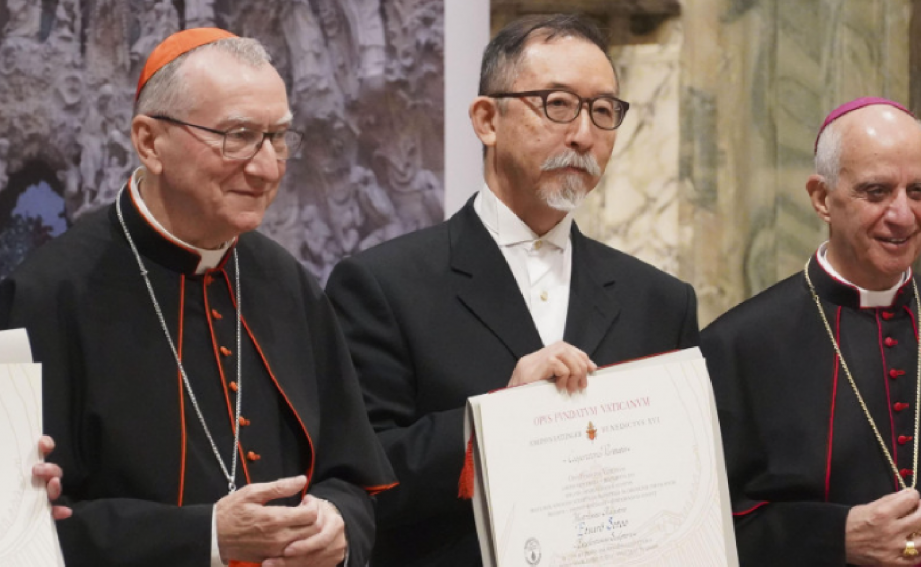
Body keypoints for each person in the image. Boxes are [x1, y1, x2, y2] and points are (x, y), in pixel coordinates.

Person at [0, 28, 395, 567]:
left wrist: (337, 524)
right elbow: (19, 527)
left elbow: (351, 476)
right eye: (238, 136)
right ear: (149, 142)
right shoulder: (47, 296)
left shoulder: (288, 284)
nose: (266, 167)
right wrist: (205, 536)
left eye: (278, 137)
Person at [325, 14, 700, 567]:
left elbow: (678, 479)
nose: (584, 134)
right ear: (487, 120)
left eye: (603, 110)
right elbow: (359, 482)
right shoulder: (382, 284)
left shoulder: (660, 301)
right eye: (557, 104)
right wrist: (495, 422)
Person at [701, 97, 921, 566]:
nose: (903, 215)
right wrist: (835, 537)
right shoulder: (737, 346)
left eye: (918, 191)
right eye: (876, 192)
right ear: (821, 198)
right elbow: (700, 529)